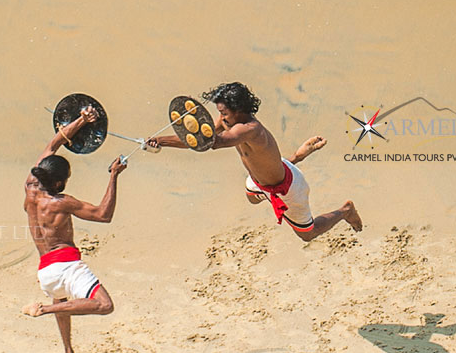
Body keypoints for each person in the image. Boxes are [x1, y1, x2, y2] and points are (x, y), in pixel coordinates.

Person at [146, 82, 362, 240]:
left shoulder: (249, 130)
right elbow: (203, 138)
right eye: (219, 112)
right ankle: (296, 157)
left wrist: (164, 140)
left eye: (224, 112)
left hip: (287, 189)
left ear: (239, 110)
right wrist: (159, 141)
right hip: (260, 182)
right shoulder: (229, 119)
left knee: (308, 234)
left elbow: (210, 142)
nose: (220, 117)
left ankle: (345, 211)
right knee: (251, 195)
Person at [22, 104, 127, 353]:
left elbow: (54, 143)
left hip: (46, 273)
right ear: (58, 184)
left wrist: (82, 120)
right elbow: (104, 215)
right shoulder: (61, 202)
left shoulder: (30, 185)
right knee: (104, 305)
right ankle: (43, 310)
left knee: (61, 298)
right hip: (66, 266)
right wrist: (113, 176)